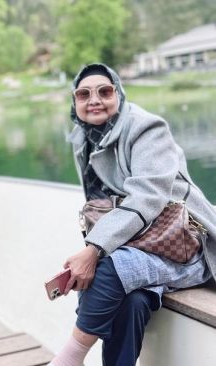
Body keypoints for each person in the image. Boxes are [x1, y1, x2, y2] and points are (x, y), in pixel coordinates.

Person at [48, 63, 216, 366]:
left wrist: (94, 249)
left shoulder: (147, 128)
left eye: (105, 91)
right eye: (84, 94)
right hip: (141, 245)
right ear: (74, 103)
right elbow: (97, 206)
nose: (94, 99)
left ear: (119, 94)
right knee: (132, 302)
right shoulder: (84, 139)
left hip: (185, 244)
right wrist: (96, 248)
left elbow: (147, 197)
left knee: (108, 265)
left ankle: (69, 360)